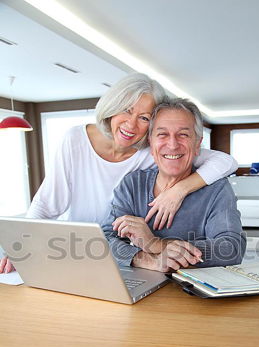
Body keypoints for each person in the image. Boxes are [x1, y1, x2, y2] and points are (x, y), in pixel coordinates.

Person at [0, 73, 238, 273]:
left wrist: (178, 190)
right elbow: (46, 203)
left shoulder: (150, 150)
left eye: (144, 118)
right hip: (75, 251)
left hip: (118, 261)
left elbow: (224, 161)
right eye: (126, 110)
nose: (131, 125)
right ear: (111, 108)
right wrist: (22, 243)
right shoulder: (77, 141)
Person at [102, 98, 246, 272]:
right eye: (162, 134)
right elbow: (106, 239)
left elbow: (230, 249)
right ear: (151, 142)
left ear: (197, 145)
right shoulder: (133, 184)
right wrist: (148, 260)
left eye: (183, 135)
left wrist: (155, 244)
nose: (172, 145)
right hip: (142, 282)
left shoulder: (217, 189)